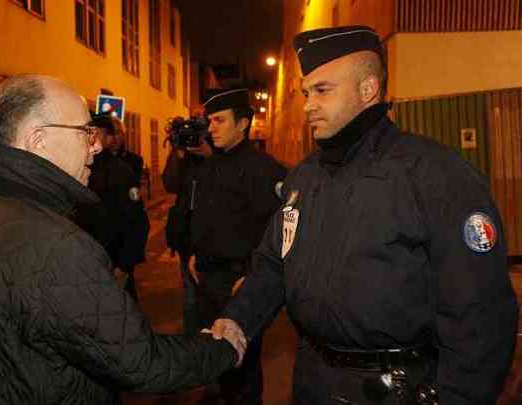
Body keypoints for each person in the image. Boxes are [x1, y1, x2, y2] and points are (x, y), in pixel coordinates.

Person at [212, 26, 518, 404]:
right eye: (306, 92)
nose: (308, 104)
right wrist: (237, 318)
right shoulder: (304, 179)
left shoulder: (436, 176)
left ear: (368, 89)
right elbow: (273, 265)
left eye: (322, 90)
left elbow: (480, 315)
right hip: (312, 382)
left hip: (397, 389)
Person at [0, 75, 241, 405]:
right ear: (38, 139)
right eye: (84, 132)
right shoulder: (57, 246)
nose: (97, 144)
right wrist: (221, 348)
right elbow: (140, 362)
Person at [190, 88, 287, 404]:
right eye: (209, 121)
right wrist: (195, 253)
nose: (211, 128)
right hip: (206, 280)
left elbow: (276, 231)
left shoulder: (263, 169)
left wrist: (252, 275)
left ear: (243, 123)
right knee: (217, 364)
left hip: (239, 283)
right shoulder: (208, 166)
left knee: (242, 371)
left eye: (219, 120)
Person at [86, 114, 149, 302]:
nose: (92, 140)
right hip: (86, 261)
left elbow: (137, 220)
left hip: (114, 261)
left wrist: (125, 265)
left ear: (108, 138)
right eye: (88, 133)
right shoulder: (78, 166)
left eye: (97, 134)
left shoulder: (122, 172)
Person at [162, 130, 214, 336]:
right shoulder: (183, 159)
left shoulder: (216, 155)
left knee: (211, 296)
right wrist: (177, 152)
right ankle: (191, 341)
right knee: (190, 296)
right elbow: (170, 183)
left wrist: (209, 155)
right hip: (187, 236)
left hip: (212, 237)